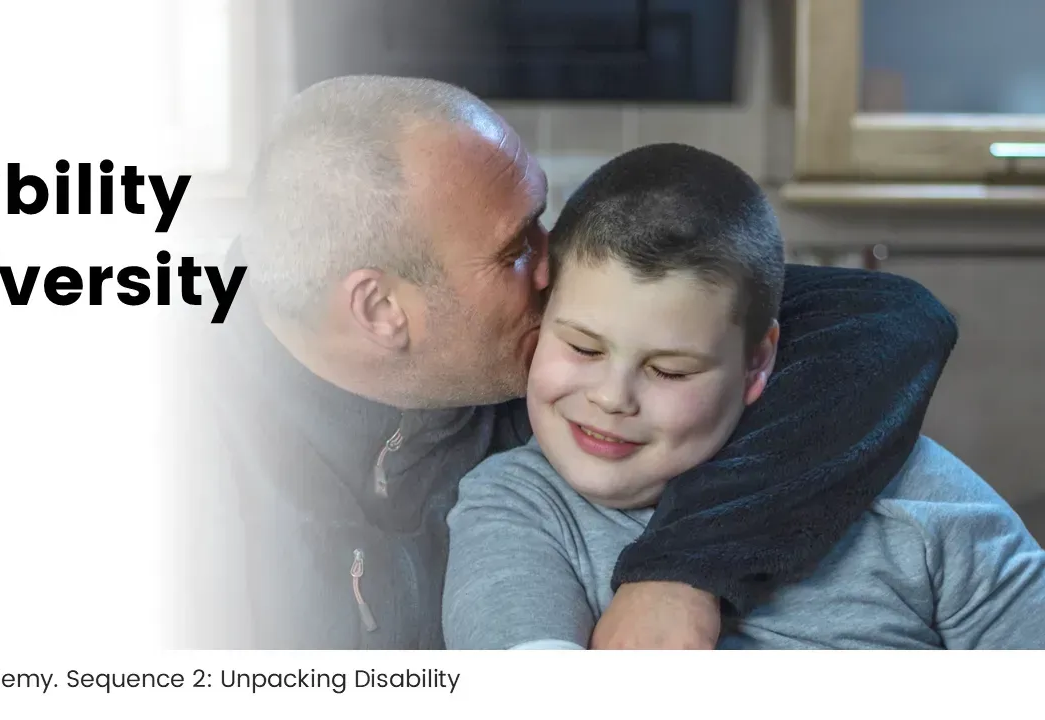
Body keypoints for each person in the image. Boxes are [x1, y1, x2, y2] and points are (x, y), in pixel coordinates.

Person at [181, 75, 958, 650]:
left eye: (541, 221)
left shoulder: (556, 346)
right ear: (382, 309)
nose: (555, 267)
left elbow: (885, 319)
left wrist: (684, 567)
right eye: (515, 249)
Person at [442, 143, 1045, 649]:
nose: (612, 397)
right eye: (583, 347)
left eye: (670, 371)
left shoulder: (922, 504)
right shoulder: (515, 507)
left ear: (757, 363)